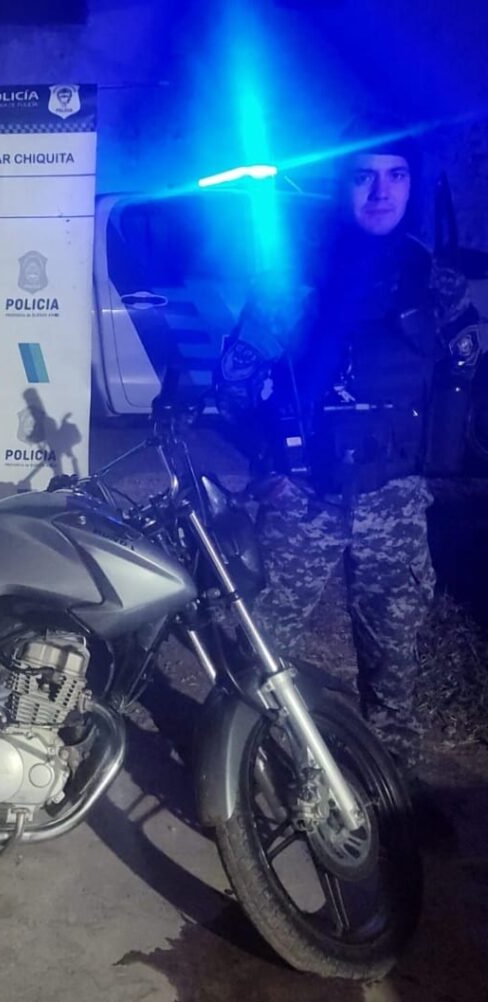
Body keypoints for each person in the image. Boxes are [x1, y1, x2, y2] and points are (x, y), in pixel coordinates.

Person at [215, 122, 475, 776]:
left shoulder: (437, 284)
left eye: (397, 176)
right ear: (342, 185)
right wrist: (270, 468)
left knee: (394, 659)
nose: (381, 192)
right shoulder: (293, 280)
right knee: (264, 646)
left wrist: (435, 468)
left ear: (413, 186)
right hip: (304, 499)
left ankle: (393, 791)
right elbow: (234, 386)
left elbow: (459, 381)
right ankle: (252, 770)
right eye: (364, 176)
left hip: (395, 501)